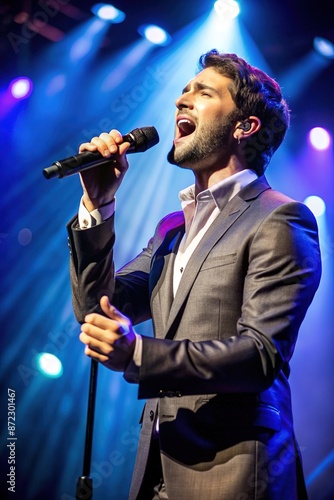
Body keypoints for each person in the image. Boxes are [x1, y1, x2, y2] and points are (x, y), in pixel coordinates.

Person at [67, 50, 321, 499]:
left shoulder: (280, 218)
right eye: (183, 91)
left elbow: (260, 354)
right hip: (158, 469)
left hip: (236, 473)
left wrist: (140, 353)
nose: (181, 101)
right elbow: (98, 310)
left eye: (202, 93)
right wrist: (98, 205)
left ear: (245, 127)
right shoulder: (172, 228)